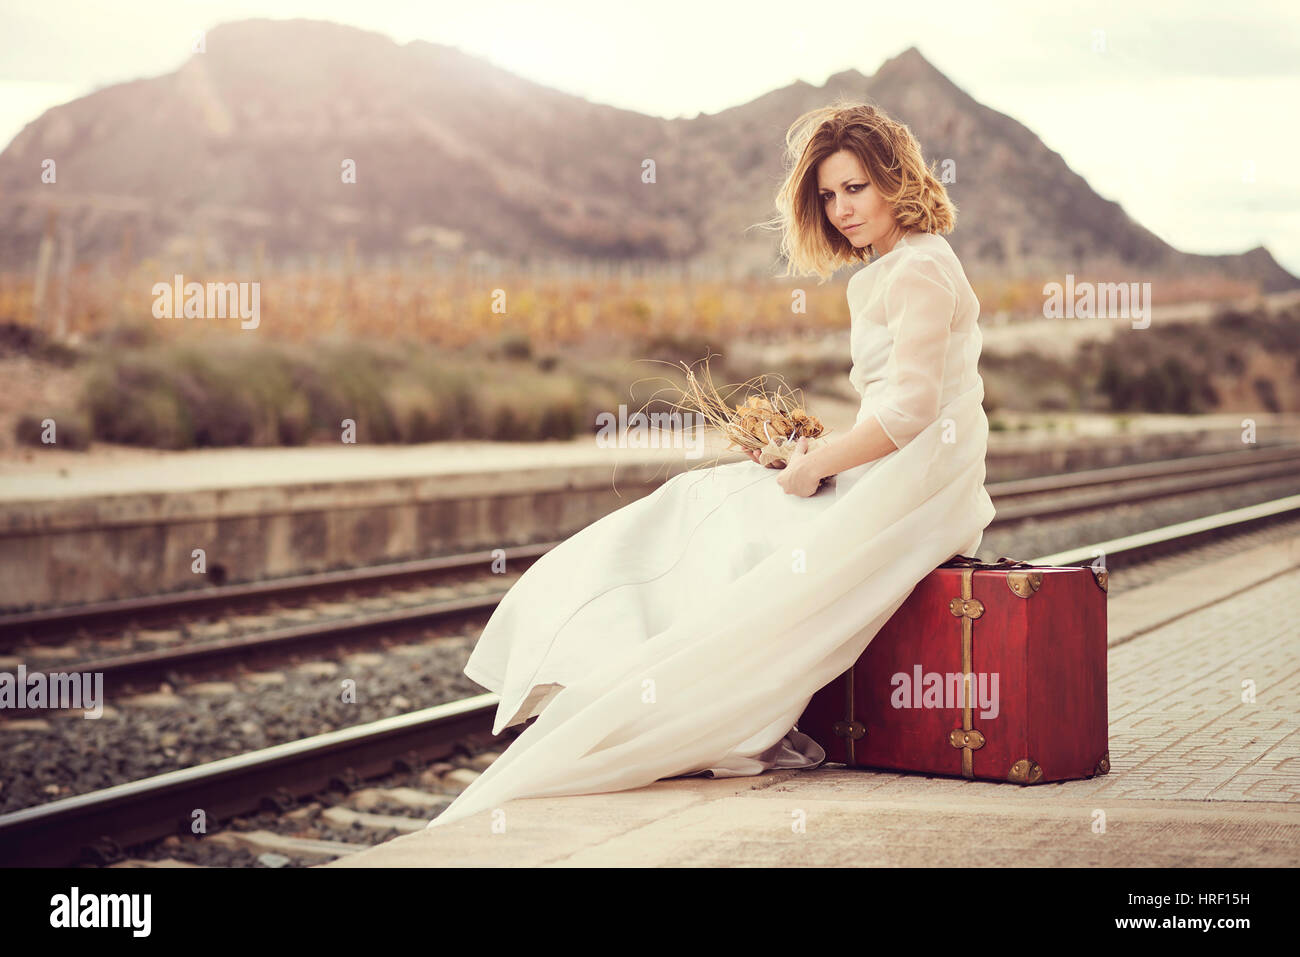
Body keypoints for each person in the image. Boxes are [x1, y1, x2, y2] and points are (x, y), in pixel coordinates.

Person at [426, 100, 997, 830]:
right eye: (828, 195)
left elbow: (913, 409)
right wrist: (807, 453)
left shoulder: (917, 269)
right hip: (915, 473)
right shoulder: (901, 267)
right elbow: (900, 407)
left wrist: (815, 462)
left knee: (710, 509)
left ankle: (655, 690)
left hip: (915, 487)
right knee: (716, 502)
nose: (842, 208)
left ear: (896, 178)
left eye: (856, 187)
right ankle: (628, 672)